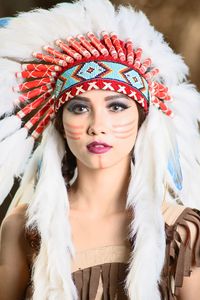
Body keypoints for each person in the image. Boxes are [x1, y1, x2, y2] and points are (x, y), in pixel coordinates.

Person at [0, 0, 200, 299]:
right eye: (79, 108)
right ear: (59, 122)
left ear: (143, 119)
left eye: (117, 106)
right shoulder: (25, 227)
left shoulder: (180, 231)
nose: (98, 126)